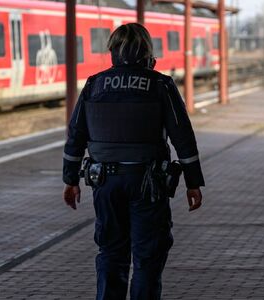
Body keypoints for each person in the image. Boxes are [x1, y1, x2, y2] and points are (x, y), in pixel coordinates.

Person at [61, 23, 205, 300]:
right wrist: (193, 183)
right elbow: (183, 137)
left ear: (113, 51)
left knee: (111, 254)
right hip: (148, 184)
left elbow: (75, 136)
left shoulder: (94, 85)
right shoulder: (160, 85)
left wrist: (70, 179)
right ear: (147, 52)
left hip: (104, 182)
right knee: (147, 257)